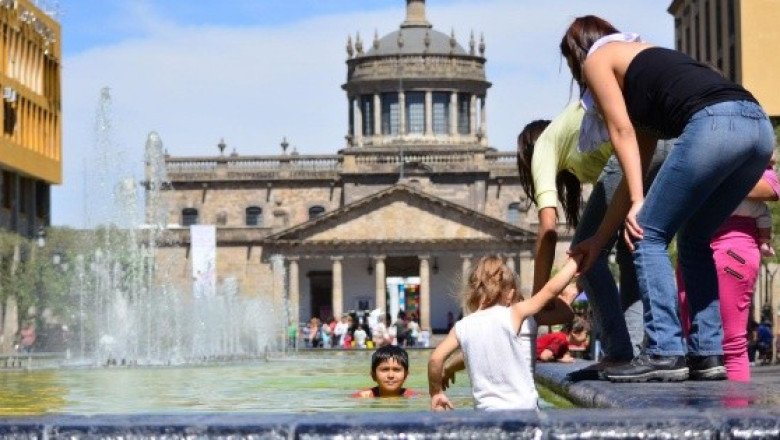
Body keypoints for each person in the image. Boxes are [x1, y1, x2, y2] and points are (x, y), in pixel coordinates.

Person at [561, 15, 774, 382]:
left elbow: (620, 132)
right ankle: (708, 353)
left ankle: (664, 350)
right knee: (694, 238)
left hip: (715, 124)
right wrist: (601, 236)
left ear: (575, 55)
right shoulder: (647, 67)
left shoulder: (597, 57)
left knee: (647, 235)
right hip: (758, 127)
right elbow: (635, 165)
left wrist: (640, 205)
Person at [517, 107, 670, 365]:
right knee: (630, 250)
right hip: (664, 142)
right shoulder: (575, 143)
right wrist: (571, 290)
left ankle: (617, 351)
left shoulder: (545, 144)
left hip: (636, 144)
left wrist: (538, 299)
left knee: (584, 249)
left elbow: (548, 231)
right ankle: (629, 354)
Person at [428, 255, 580, 411]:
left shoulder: (461, 326)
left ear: (471, 293)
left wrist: (436, 392)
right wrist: (576, 261)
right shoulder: (515, 313)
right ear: (510, 295)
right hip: (524, 410)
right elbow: (550, 290)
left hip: (486, 414)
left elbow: (435, 359)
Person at [677, 168, 780, 381]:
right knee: (696, 343)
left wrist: (712, 180)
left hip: (732, 240)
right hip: (691, 243)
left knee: (730, 344)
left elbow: (771, 187)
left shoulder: (750, 146)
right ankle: (701, 412)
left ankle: (733, 412)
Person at [352, 345, 418, 398]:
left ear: (406, 375)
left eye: (396, 370)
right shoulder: (361, 398)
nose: (391, 375)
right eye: (385, 369)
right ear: (373, 375)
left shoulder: (415, 397)